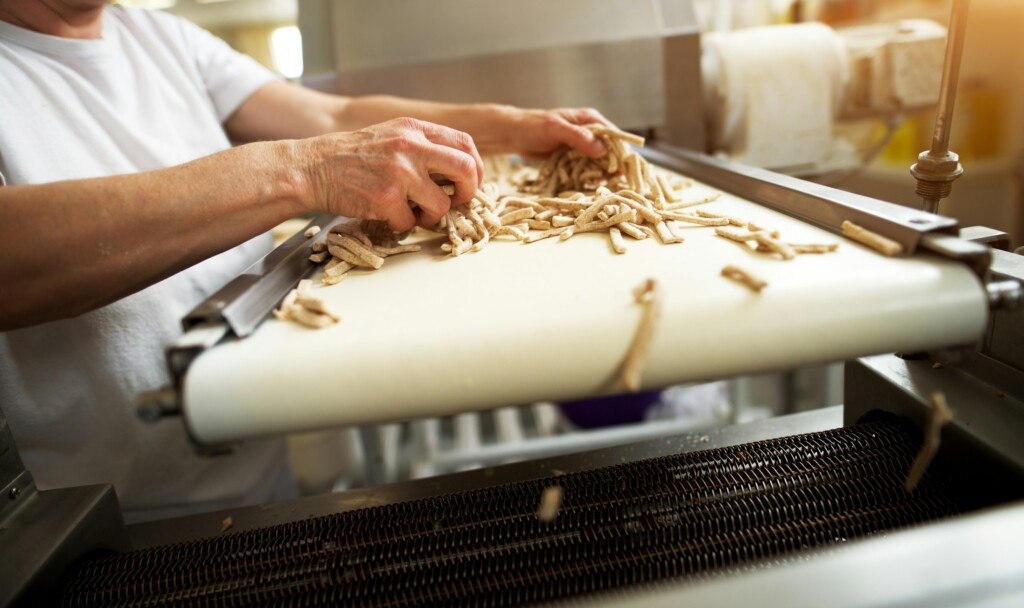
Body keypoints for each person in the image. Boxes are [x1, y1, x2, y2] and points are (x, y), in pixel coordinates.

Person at [0, 0, 612, 522]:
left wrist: (514, 127)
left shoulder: (159, 35)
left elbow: (331, 117)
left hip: (257, 481)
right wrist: (303, 170)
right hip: (95, 526)